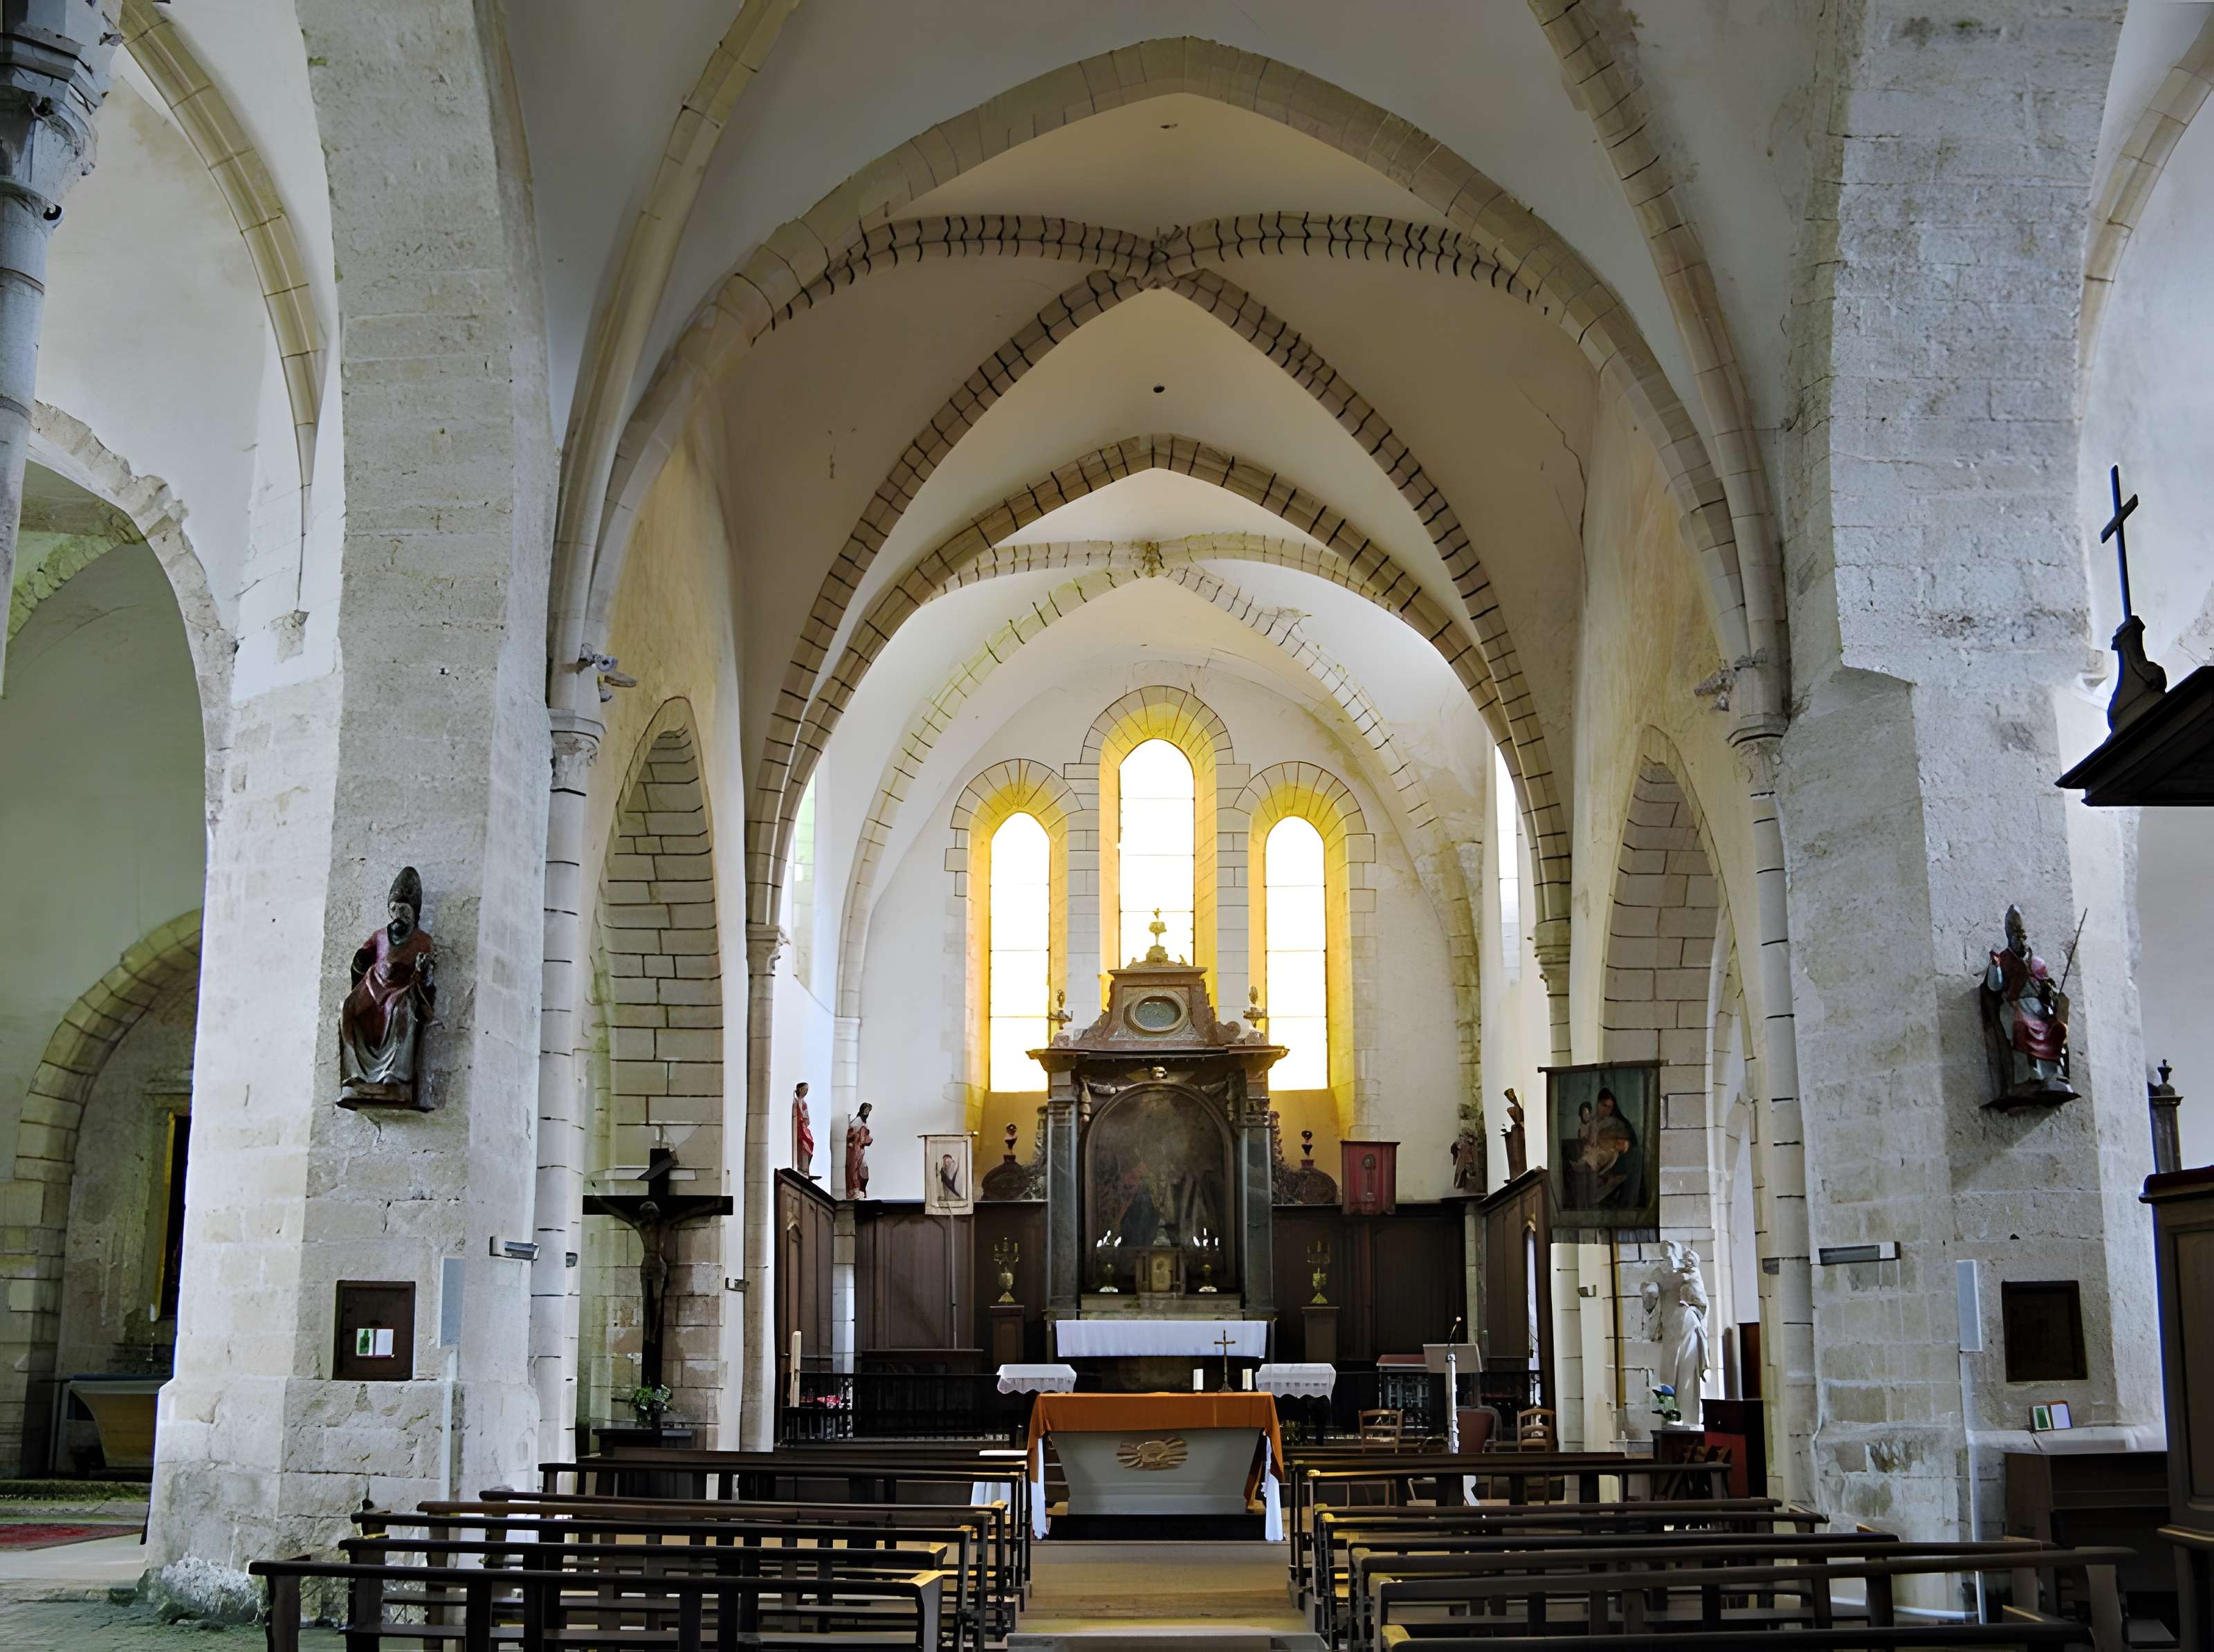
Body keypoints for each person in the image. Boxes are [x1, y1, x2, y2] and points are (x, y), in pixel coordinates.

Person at [339, 867, 438, 1106]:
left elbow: (428, 977)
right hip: (374, 986)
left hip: (403, 988)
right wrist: (360, 961)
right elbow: (363, 959)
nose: (399, 914)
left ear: (414, 912)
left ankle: (394, 1076)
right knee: (348, 1008)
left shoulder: (422, 940)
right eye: (394, 908)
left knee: (399, 1010)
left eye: (404, 909)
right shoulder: (380, 935)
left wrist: (423, 969)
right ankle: (355, 1075)